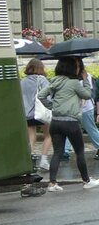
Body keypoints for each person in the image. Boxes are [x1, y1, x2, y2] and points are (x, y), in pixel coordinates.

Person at [38, 56, 98, 192]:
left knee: (57, 152)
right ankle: (86, 181)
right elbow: (87, 95)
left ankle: (52, 183)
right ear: (71, 68)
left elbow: (41, 95)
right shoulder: (74, 83)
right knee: (79, 152)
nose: (78, 68)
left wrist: (52, 106)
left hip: (56, 122)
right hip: (70, 122)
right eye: (76, 66)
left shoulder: (54, 81)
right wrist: (85, 80)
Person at [21, 59, 53, 173]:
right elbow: (48, 96)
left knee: (31, 136)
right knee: (48, 135)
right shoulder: (42, 80)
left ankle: (30, 158)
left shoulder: (22, 81)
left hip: (28, 113)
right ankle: (43, 160)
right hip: (42, 112)